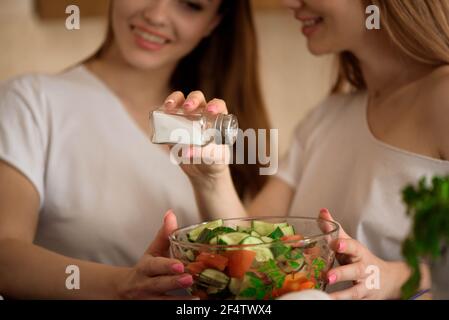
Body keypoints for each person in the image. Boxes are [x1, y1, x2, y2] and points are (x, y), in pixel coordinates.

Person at [163, 0, 449, 299]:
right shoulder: (325, 118)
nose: (289, 2)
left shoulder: (443, 96)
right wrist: (211, 178)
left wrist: (397, 277)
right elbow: (252, 251)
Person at [0, 0, 270, 299]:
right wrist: (123, 286)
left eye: (191, 5)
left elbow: (249, 279)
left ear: (213, 23)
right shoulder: (30, 102)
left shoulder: (212, 131)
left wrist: (212, 181)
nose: (155, 15)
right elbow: (5, 255)